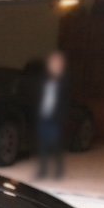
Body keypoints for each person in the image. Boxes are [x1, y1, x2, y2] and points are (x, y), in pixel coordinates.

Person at [37, 51, 70, 179]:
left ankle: (59, 171)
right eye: (52, 63)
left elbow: (66, 101)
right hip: (43, 116)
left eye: (57, 63)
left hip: (56, 118)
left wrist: (63, 117)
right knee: (43, 144)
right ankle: (43, 171)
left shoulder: (65, 81)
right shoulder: (44, 80)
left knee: (56, 145)